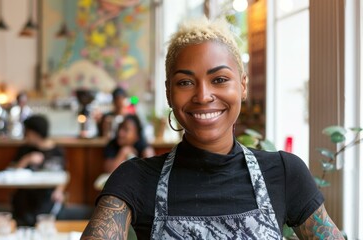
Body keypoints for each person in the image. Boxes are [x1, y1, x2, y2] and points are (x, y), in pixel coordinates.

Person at [82, 18, 344, 239]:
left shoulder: (284, 173)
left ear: (242, 86)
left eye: (219, 79)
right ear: (168, 93)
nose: (203, 95)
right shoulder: (135, 179)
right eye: (185, 82)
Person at [11, 115, 66, 226]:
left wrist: (59, 190)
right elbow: (12, 174)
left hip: (47, 195)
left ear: (34, 133)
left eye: (27, 132)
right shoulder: (25, 150)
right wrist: (27, 159)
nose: (25, 136)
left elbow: (64, 175)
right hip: (26, 194)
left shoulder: (57, 151)